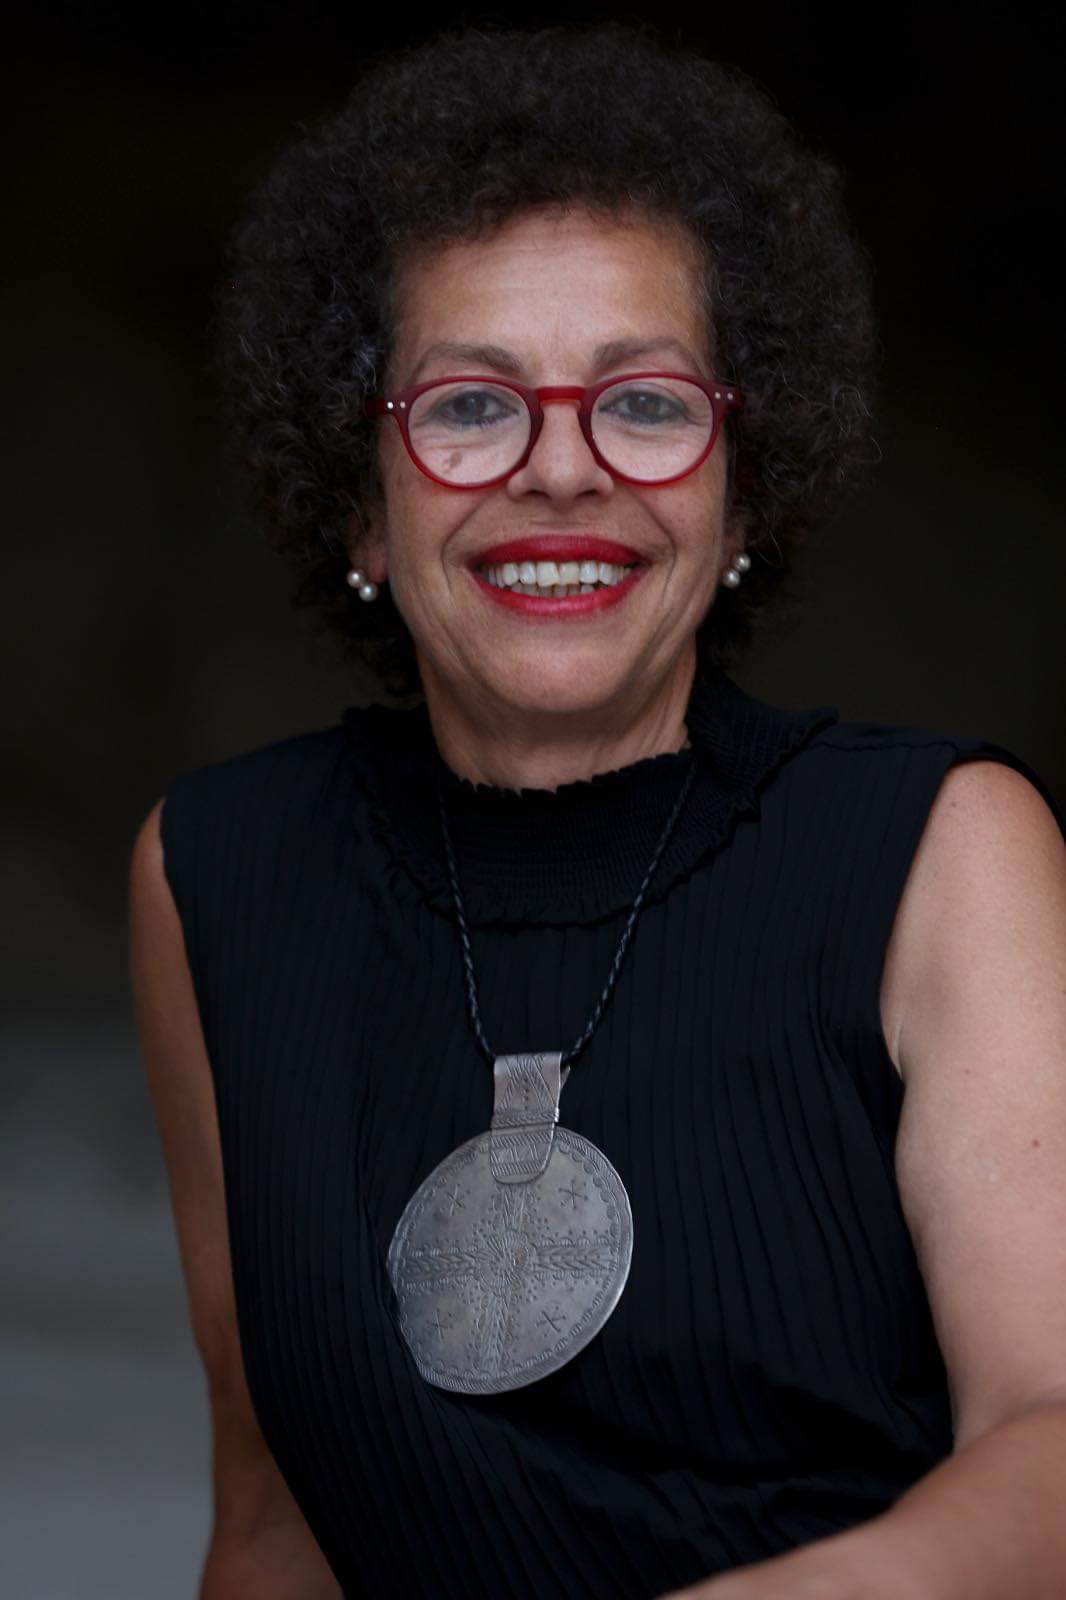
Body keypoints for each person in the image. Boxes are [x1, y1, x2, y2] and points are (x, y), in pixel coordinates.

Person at [128, 22, 1066, 1600]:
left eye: (641, 402)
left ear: (737, 490)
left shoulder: (940, 850)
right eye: (468, 406)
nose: (561, 471)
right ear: (362, 508)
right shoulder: (213, 875)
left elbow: (1051, 1435)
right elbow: (273, 1517)